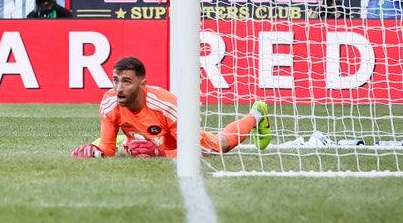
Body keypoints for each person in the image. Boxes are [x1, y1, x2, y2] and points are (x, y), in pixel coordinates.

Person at [72, 57, 270, 158]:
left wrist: (161, 154)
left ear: (142, 84)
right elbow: (107, 148)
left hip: (175, 142)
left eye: (126, 82)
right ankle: (126, 141)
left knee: (219, 145)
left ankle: (255, 115)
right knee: (127, 149)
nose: (118, 89)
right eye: (115, 81)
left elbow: (193, 152)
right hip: (143, 140)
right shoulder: (109, 103)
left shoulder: (168, 106)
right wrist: (95, 150)